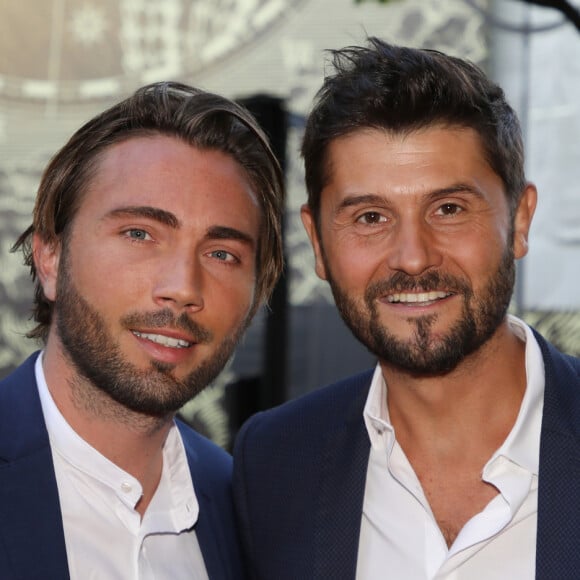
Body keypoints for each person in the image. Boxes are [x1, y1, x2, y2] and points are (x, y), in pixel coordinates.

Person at [233, 38, 580, 579]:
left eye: (448, 208)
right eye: (370, 217)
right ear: (318, 243)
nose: (413, 257)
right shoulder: (275, 463)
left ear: (519, 220)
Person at [0, 81, 284, 579]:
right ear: (50, 257)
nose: (182, 287)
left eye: (222, 254)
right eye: (139, 234)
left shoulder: (249, 512)